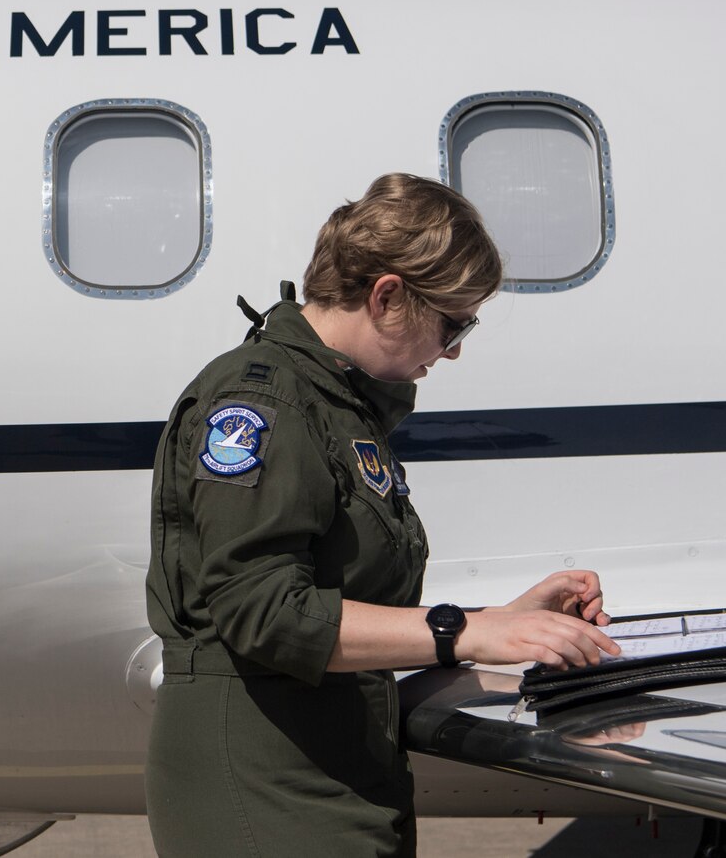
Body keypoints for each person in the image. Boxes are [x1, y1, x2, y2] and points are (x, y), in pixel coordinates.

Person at [143, 173, 620, 858]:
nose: (453, 350)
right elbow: (264, 612)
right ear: (388, 295)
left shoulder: (336, 406)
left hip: (330, 772)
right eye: (453, 323)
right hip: (265, 785)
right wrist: (467, 632)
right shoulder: (269, 401)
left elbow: (343, 604)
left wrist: (508, 623)